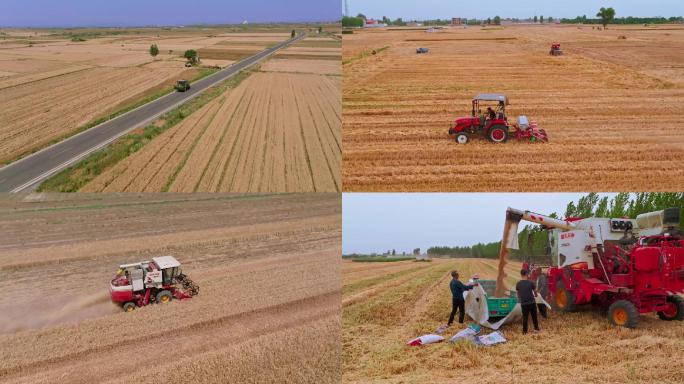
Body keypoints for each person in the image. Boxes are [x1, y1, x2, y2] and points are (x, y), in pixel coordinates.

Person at [516, 269, 540, 334]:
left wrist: (519, 299)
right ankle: (536, 329)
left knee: (525, 318)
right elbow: (535, 291)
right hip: (532, 302)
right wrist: (536, 295)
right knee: (534, 316)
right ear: (526, 274)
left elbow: (517, 293)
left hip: (524, 303)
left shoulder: (518, 284)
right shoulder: (531, 282)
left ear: (521, 275)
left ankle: (524, 332)